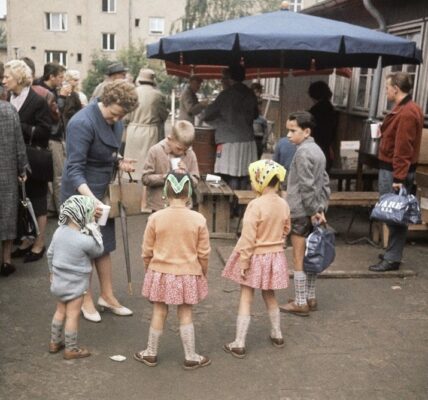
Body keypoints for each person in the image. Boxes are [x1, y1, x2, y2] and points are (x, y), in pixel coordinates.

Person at [61, 80, 138, 322]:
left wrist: (119, 160)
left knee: (103, 246)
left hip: (102, 192)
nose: (117, 120)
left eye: (121, 116)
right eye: (114, 114)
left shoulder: (116, 119)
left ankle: (107, 295)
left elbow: (108, 150)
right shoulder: (81, 123)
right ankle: (85, 298)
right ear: (105, 101)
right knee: (83, 250)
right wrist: (91, 200)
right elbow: (74, 169)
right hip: (81, 193)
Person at [134, 172, 211, 370]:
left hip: (160, 273)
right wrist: (202, 271)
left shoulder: (155, 218)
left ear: (166, 192)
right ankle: (191, 356)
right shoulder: (198, 219)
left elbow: (146, 250)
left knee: (159, 311)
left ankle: (150, 353)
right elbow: (204, 253)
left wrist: (148, 270)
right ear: (189, 195)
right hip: (188, 274)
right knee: (185, 312)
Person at [222, 159, 290, 358]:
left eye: (253, 179)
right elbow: (286, 228)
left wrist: (243, 261)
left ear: (261, 180)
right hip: (274, 256)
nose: (251, 183)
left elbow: (248, 237)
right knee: (269, 295)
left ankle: (239, 342)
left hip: (255, 256)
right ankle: (277, 333)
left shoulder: (255, 205)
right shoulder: (284, 204)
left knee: (246, 296)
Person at [369, 72, 423, 272]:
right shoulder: (406, 108)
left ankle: (392, 258)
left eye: (386, 88)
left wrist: (398, 178)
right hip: (395, 169)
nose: (385, 91)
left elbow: (403, 147)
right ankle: (392, 253)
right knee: (394, 213)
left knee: (395, 214)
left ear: (396, 89)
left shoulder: (407, 112)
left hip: (395, 171)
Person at [279, 111, 330, 316]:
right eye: (288, 130)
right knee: (311, 257)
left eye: (293, 130)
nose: (289, 135)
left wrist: (311, 211)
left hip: (301, 211)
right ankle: (309, 297)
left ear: (306, 131)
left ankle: (300, 302)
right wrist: (320, 209)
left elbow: (307, 186)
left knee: (299, 258)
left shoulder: (302, 153)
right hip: (314, 210)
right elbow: (324, 182)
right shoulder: (318, 150)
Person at [3, 60, 52, 263]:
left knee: (38, 201)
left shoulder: (37, 100)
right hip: (14, 159)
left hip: (34, 158)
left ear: (19, 78)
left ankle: (39, 244)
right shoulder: (8, 98)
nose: (4, 80)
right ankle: (25, 241)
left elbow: (45, 131)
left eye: (7, 77)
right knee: (21, 202)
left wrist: (17, 125)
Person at [47, 195, 104, 359]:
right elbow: (99, 250)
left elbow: (50, 253)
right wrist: (95, 228)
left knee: (59, 311)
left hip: (58, 282)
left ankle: (54, 342)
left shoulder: (59, 232)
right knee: (72, 315)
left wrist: (51, 272)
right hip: (76, 284)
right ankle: (71, 348)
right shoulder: (84, 240)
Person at [203, 64, 259, 193]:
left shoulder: (226, 94)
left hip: (228, 141)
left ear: (229, 78)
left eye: (223, 78)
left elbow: (208, 114)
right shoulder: (250, 93)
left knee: (227, 174)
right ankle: (239, 208)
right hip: (248, 140)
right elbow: (256, 114)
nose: (222, 81)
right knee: (244, 174)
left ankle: (227, 204)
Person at [141, 120, 200, 212]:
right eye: (179, 148)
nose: (182, 153)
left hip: (184, 207)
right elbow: (145, 179)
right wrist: (167, 177)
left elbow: (196, 181)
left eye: (186, 149)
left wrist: (186, 174)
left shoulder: (190, 154)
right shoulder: (155, 151)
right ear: (169, 139)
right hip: (159, 207)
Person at [124, 68, 169, 181]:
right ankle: (145, 189)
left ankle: (130, 187)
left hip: (133, 130)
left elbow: (126, 116)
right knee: (148, 163)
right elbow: (163, 115)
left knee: (132, 162)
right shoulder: (158, 95)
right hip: (150, 131)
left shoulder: (132, 92)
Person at [0, 100, 28, 276]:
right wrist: (22, 167)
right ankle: (6, 260)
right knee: (7, 214)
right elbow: (19, 142)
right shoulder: (9, 109)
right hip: (7, 170)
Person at [308, 81, 337, 172]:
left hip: (315, 147)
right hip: (327, 148)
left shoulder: (314, 111)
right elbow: (333, 131)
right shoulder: (331, 110)